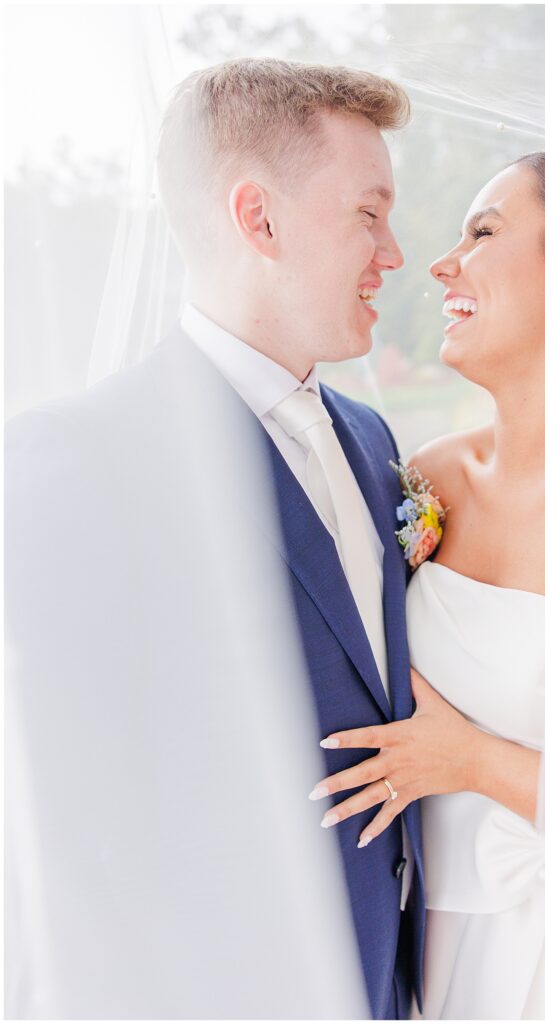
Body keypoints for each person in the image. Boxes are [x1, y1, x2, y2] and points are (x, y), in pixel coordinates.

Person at [5, 59, 424, 1019]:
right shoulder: (72, 460)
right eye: (368, 213)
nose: (393, 251)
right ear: (257, 218)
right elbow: (65, 830)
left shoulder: (373, 441)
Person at [310, 147, 545, 1018]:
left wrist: (471, 761)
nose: (442, 263)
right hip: (426, 949)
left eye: (481, 232)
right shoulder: (423, 481)